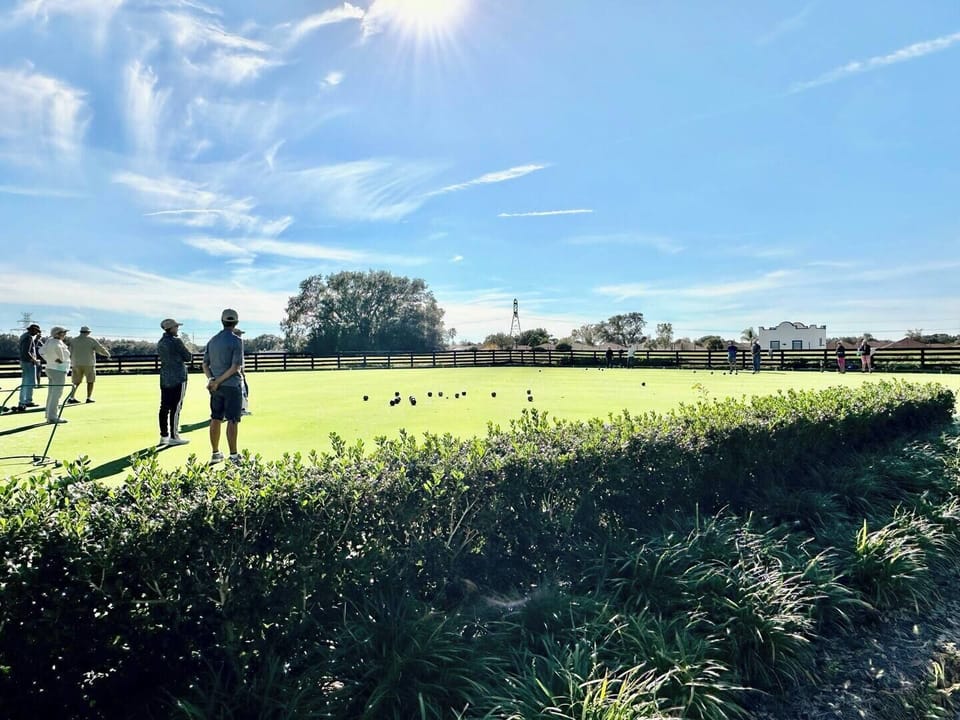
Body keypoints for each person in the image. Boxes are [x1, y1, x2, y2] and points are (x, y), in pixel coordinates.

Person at [202, 308, 244, 465]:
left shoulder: (212, 340)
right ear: (236, 322)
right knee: (232, 420)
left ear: (222, 321)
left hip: (216, 388)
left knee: (215, 418)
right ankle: (233, 455)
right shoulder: (237, 340)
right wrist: (218, 381)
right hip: (231, 385)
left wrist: (212, 380)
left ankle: (215, 453)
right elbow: (235, 367)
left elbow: (205, 364)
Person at [157, 318, 193, 446]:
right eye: (176, 327)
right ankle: (174, 435)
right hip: (178, 377)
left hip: (165, 378)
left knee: (164, 407)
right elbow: (188, 357)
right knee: (176, 407)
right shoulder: (176, 341)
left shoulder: (160, 342)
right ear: (171, 328)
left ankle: (164, 435)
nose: (177, 328)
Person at [67, 326, 111, 404]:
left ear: (80, 332)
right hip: (89, 363)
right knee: (90, 381)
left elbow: (69, 352)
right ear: (88, 332)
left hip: (76, 363)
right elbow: (99, 349)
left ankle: (71, 397)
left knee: (75, 381)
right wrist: (107, 354)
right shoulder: (91, 340)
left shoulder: (73, 340)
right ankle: (88, 397)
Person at [39, 326, 71, 424]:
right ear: (57, 334)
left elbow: (41, 351)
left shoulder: (50, 341)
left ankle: (49, 415)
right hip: (58, 370)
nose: (65, 334)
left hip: (52, 369)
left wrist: (50, 360)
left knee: (52, 393)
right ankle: (52, 417)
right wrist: (59, 361)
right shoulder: (56, 343)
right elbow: (60, 356)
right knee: (56, 394)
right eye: (63, 332)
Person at [14, 323, 42, 412]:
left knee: (29, 382)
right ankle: (23, 402)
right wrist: (34, 360)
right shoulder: (28, 337)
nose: (37, 333)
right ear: (32, 330)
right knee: (26, 383)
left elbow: (30, 349)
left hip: (26, 362)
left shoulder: (26, 336)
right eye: (36, 331)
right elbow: (27, 352)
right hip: (27, 362)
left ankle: (27, 401)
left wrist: (36, 341)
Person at [233, 328, 251, 415]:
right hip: (236, 373)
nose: (240, 336)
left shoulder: (239, 344)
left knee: (244, 390)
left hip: (240, 372)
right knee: (240, 391)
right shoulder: (235, 344)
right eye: (238, 334)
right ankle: (240, 409)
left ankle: (242, 408)